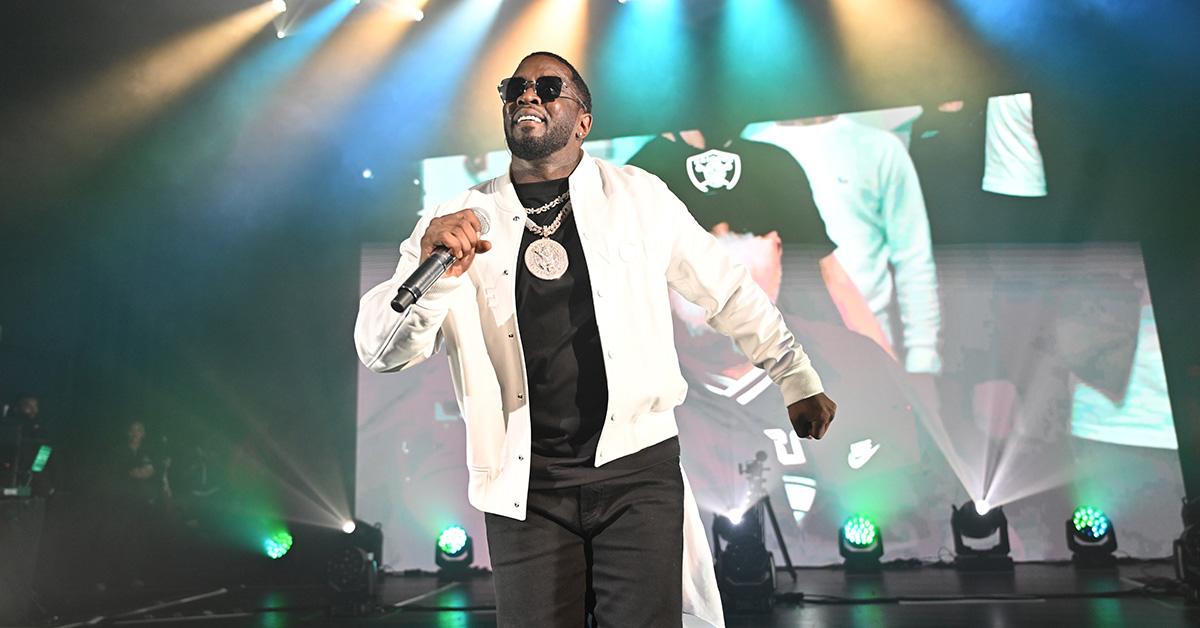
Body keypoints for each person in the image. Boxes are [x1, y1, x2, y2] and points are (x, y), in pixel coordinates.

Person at [355, 51, 836, 628]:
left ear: (583, 121)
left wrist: (794, 375)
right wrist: (434, 279)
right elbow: (382, 351)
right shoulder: (460, 216)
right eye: (515, 88)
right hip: (523, 484)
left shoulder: (638, 197)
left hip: (636, 470)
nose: (527, 95)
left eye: (548, 86)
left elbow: (727, 292)